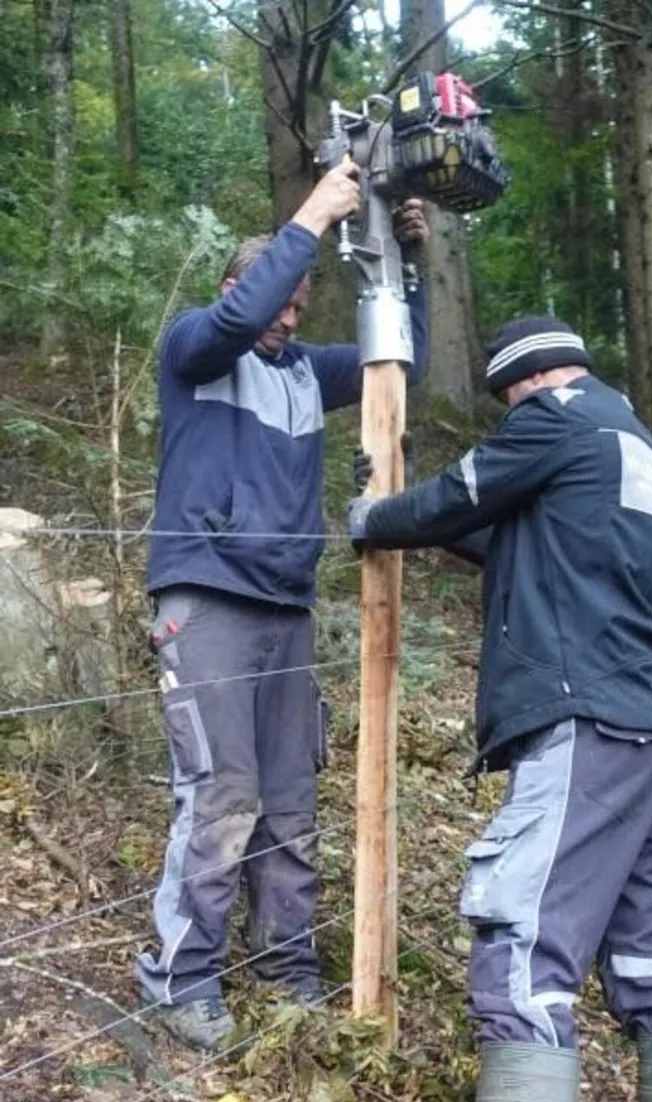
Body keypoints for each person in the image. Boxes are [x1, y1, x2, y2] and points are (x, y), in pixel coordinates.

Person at [348, 316, 652, 1102]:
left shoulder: (554, 418)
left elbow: (462, 494)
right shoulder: (631, 446)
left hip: (593, 719)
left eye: (505, 399)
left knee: (524, 945)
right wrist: (417, 522)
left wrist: (376, 515)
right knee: (650, 955)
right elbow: (509, 534)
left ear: (525, 382)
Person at [136, 159, 431, 1051]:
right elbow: (231, 322)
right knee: (219, 794)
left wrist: (407, 269)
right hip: (208, 597)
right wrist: (313, 212)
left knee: (291, 803)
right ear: (241, 287)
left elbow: (394, 356)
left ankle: (288, 970)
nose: (290, 318)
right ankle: (182, 981)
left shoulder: (304, 372)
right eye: (280, 300)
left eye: (302, 305)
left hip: (287, 607)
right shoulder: (198, 348)